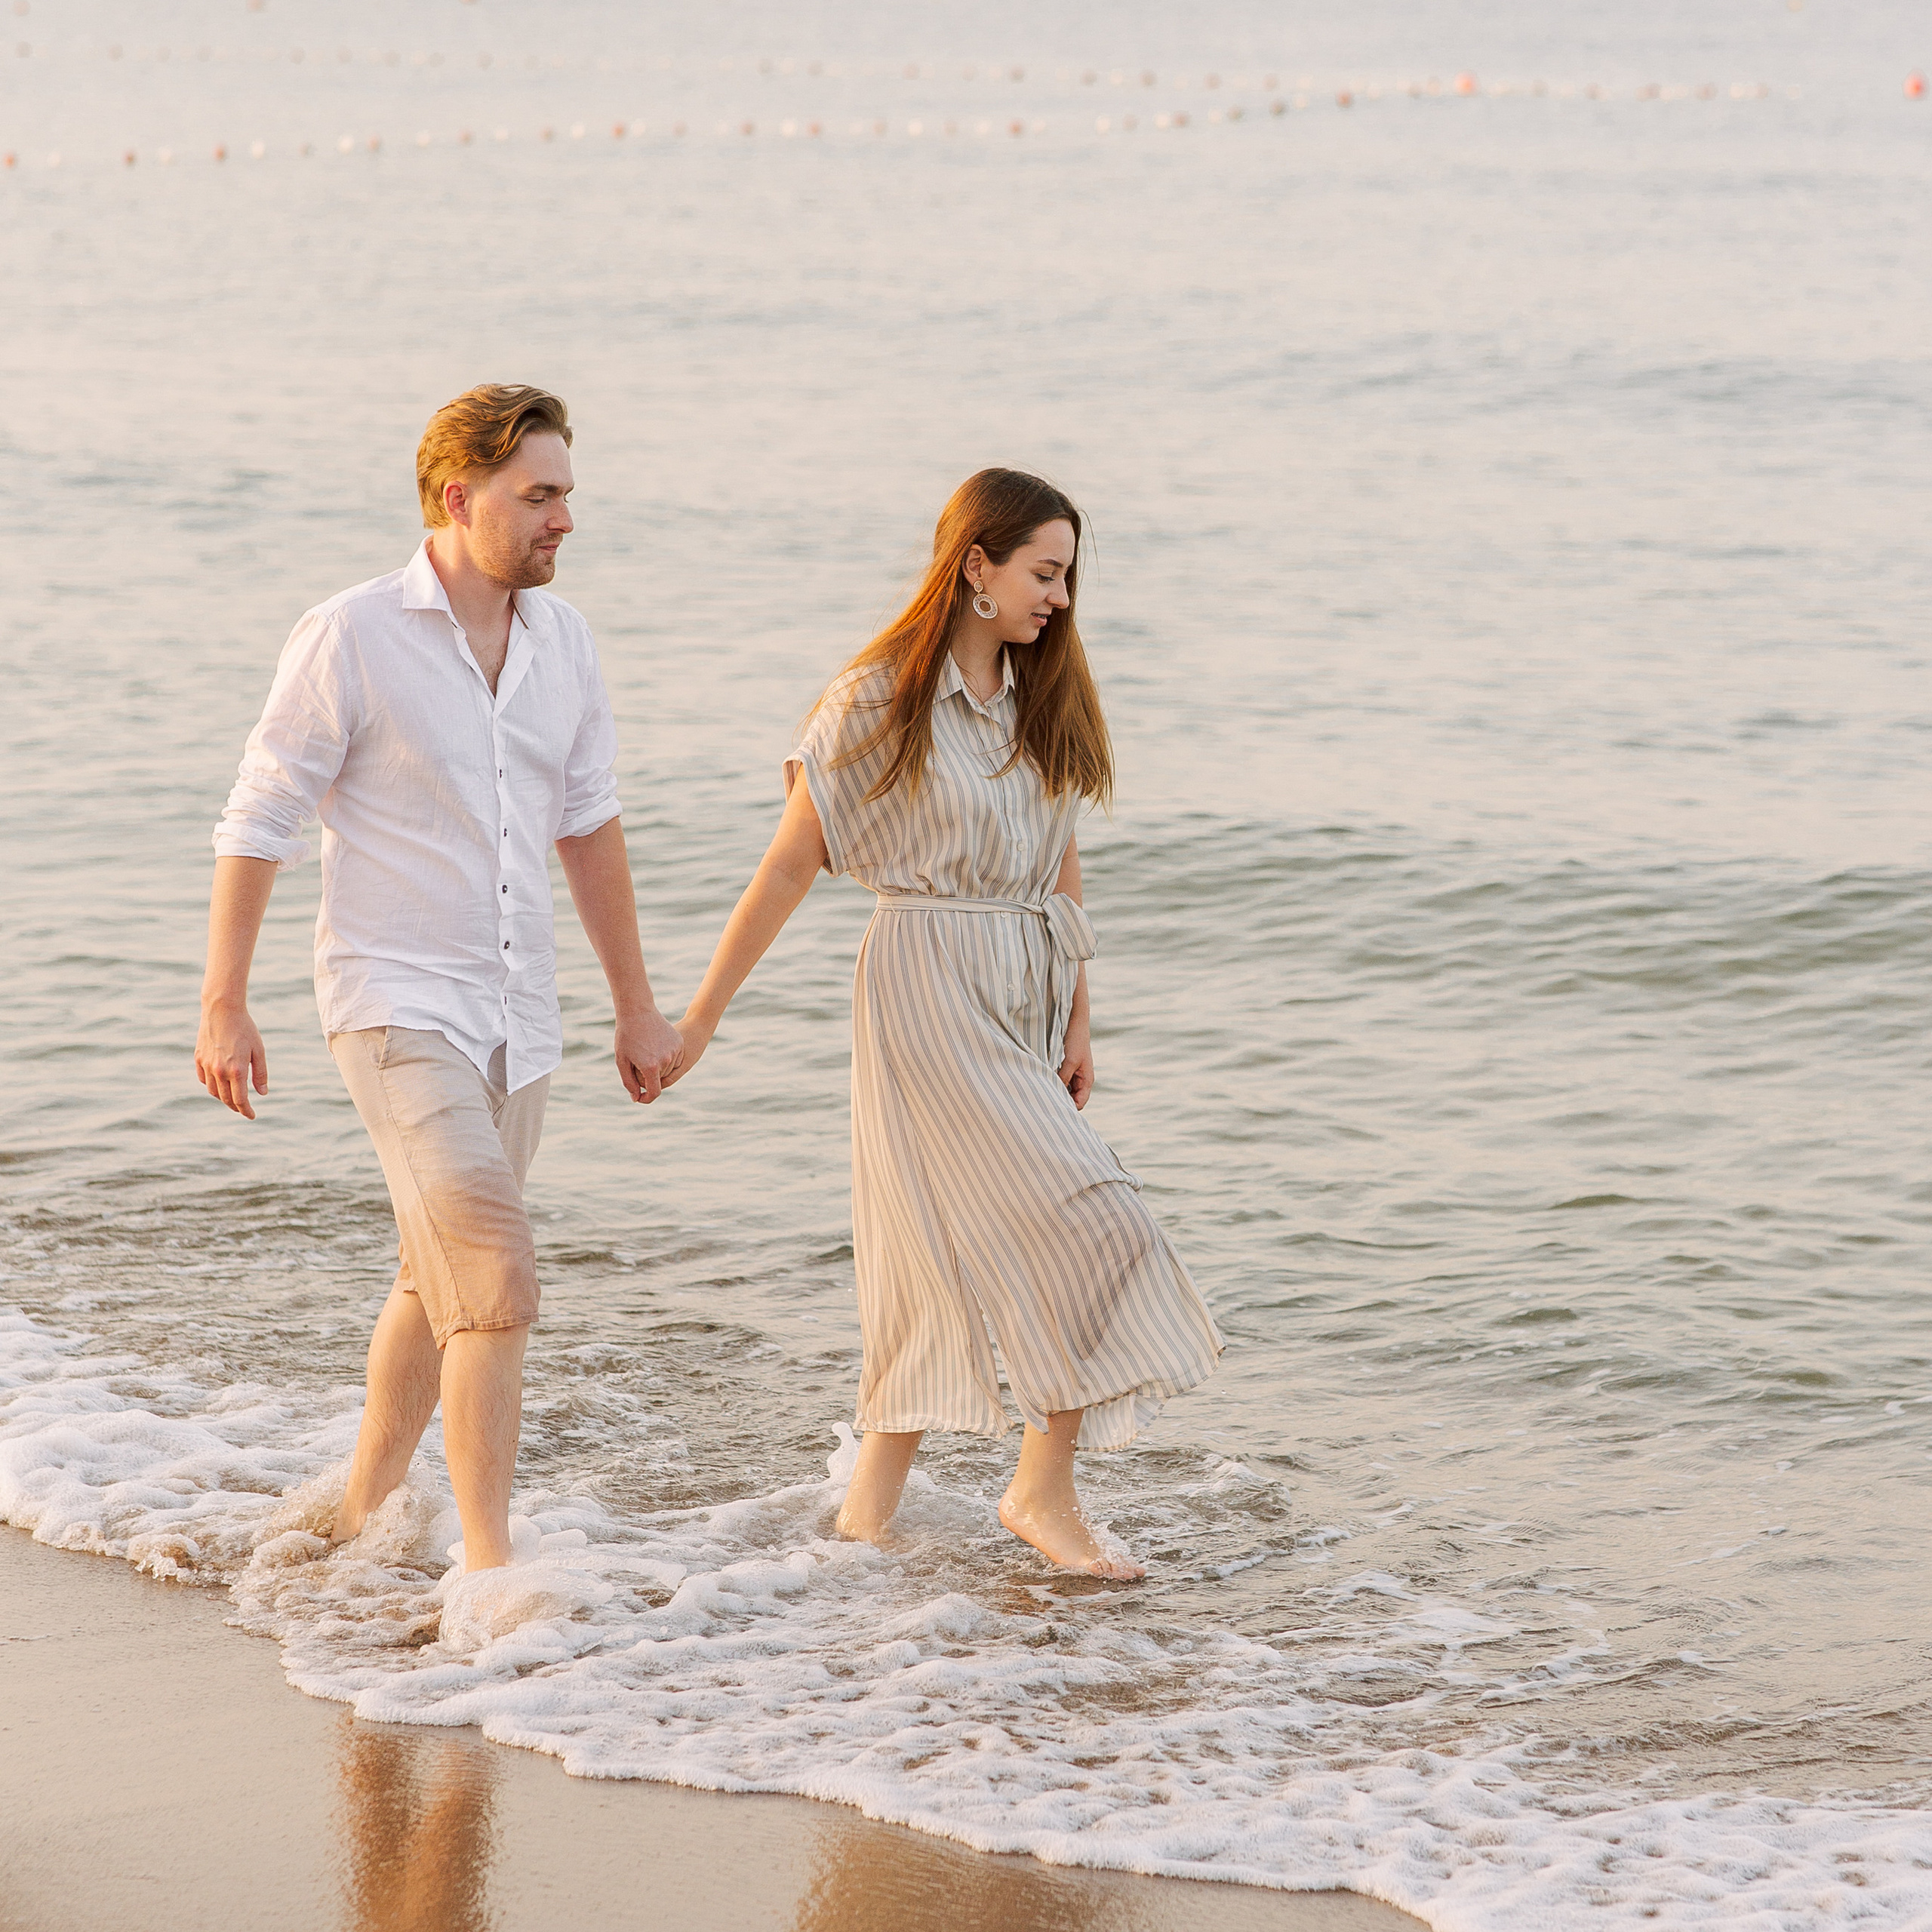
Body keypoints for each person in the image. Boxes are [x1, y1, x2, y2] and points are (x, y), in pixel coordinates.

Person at [665, 468, 1222, 1580]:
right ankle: (1040, 1492)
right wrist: (697, 1023)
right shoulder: (878, 701)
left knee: (930, 1253)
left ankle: (864, 1522)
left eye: (1068, 578)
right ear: (977, 565)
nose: (1060, 598)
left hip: (1023, 989)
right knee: (1103, 1222)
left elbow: (1062, 858)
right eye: (1043, 573)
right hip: (927, 984)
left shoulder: (1037, 696)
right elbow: (790, 861)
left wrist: (1079, 1017)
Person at [194, 384, 681, 1622]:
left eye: (568, 492)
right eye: (541, 494)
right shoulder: (351, 634)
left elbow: (588, 824)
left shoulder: (563, 641)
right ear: (460, 498)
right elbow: (262, 815)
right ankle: (488, 1568)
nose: (566, 518)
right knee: (500, 1271)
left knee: (439, 1278)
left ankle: (358, 1519)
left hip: (520, 1010)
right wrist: (223, 1003)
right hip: (394, 999)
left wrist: (638, 1006)